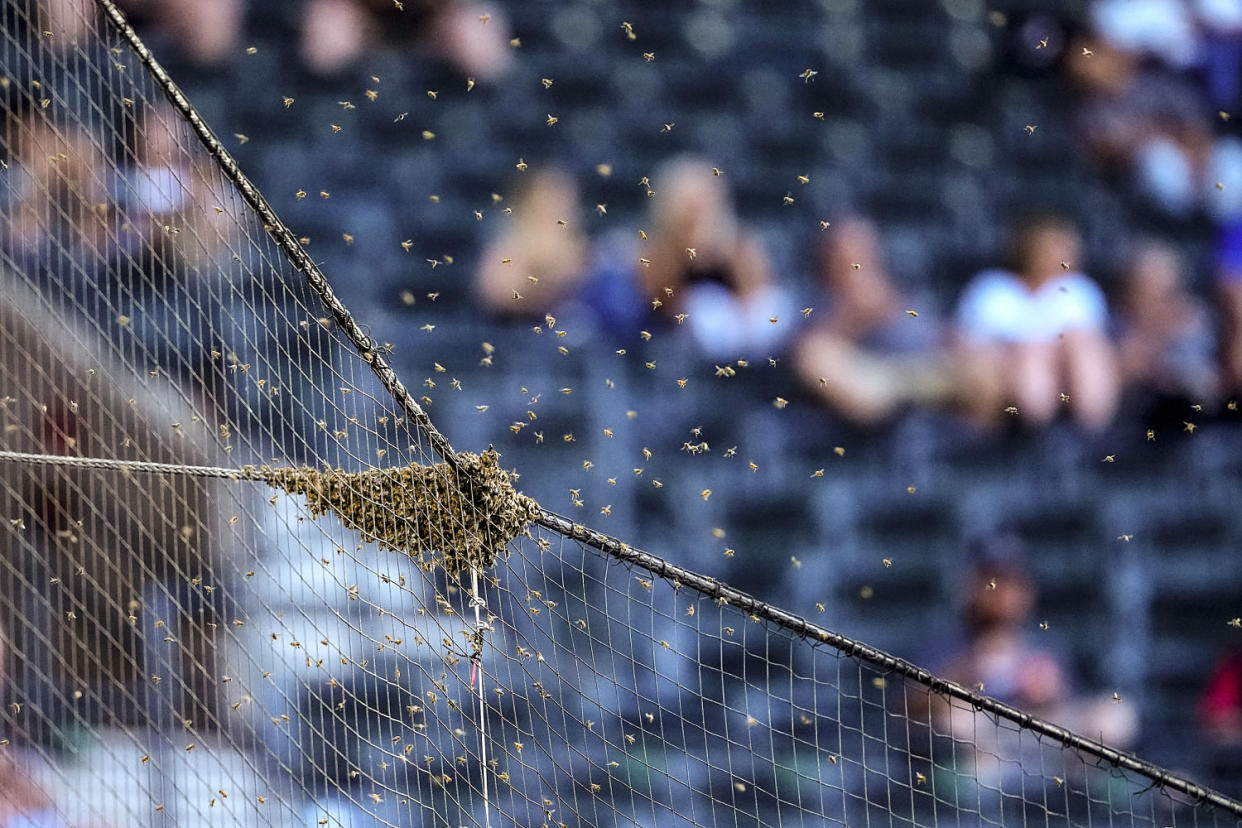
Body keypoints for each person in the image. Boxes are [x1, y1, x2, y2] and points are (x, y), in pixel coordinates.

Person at [953, 214, 1120, 430]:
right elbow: (969, 343)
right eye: (1053, 248)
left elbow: (1090, 344)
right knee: (1029, 355)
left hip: (1063, 377)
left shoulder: (1079, 290)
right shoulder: (993, 289)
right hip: (1004, 374)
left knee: (1081, 347)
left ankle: (1090, 433)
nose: (1064, 256)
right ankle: (1029, 432)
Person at [793, 217, 953, 426]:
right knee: (815, 355)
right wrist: (854, 317)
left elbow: (936, 337)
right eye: (844, 260)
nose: (855, 267)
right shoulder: (814, 306)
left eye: (862, 257)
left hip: (920, 372)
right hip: (869, 382)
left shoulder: (900, 297)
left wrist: (887, 306)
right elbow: (810, 354)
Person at [636, 156, 793, 361]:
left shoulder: (737, 242)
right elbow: (662, 303)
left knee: (774, 306)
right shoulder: (658, 247)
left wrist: (721, 252)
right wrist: (688, 253)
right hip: (681, 339)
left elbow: (757, 292)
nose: (698, 208)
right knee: (704, 304)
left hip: (742, 333)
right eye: (690, 201)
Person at [1114, 240, 1218, 421]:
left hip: (1186, 422)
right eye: (1142, 288)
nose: (1153, 298)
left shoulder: (1193, 320)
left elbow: (1206, 385)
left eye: (1161, 289)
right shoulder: (1116, 323)